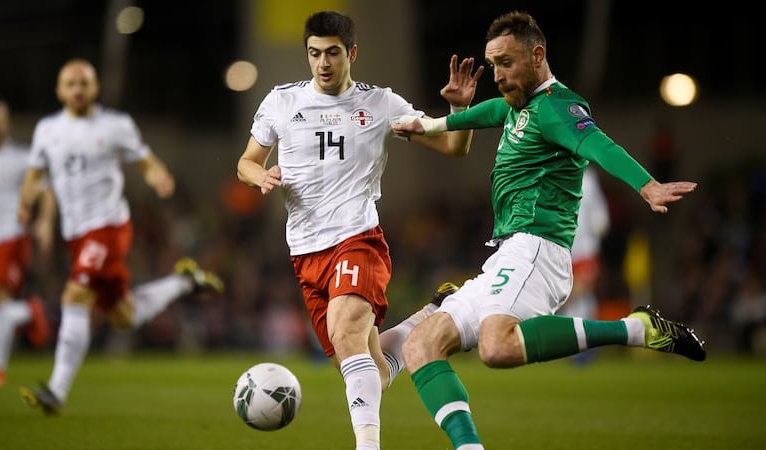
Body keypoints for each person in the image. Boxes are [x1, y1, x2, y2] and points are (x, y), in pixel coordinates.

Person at [392, 11, 706, 450]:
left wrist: (647, 185)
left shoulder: (557, 107)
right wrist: (429, 124)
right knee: (421, 345)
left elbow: (599, 144)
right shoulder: (517, 107)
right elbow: (483, 114)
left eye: (506, 63)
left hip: (538, 249)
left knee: (496, 348)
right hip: (508, 254)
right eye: (493, 64)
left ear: (537, 55)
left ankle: (636, 330)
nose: (497, 76)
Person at [236, 11, 481, 450]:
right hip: (305, 253)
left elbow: (452, 146)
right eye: (314, 54)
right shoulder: (281, 101)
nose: (323, 63)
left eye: (332, 53)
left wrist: (458, 110)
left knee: (346, 334)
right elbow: (246, 162)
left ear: (351, 53)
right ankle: (434, 312)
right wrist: (260, 176)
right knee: (372, 372)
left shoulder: (382, 104)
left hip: (357, 239)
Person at [17, 58, 224, 415]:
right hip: (75, 234)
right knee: (124, 316)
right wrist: (26, 205)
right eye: (71, 84)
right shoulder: (47, 130)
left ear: (95, 87)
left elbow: (145, 160)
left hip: (108, 226)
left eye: (84, 83)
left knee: (75, 294)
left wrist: (159, 177)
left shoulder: (115, 125)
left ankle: (56, 391)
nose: (78, 89)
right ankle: (183, 282)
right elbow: (35, 175)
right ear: (59, 90)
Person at [0, 99, 56, 387]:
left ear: (7, 125)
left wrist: (45, 222)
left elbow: (46, 192)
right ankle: (30, 311)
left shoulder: (22, 159)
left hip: (10, 237)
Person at [556, 165, 609, 364]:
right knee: (572, 298)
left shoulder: (588, 181)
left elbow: (601, 221)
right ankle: (574, 346)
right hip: (563, 250)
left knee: (582, 297)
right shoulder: (557, 174)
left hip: (585, 250)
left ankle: (585, 346)